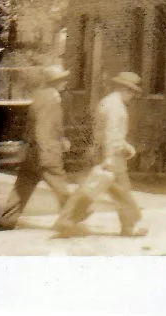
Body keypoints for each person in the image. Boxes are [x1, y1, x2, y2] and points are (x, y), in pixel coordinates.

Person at [53, 71, 148, 238]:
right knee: (119, 191)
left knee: (93, 188)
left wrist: (124, 145)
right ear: (125, 89)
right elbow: (111, 133)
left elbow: (103, 131)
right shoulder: (116, 107)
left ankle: (67, 220)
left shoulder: (106, 102)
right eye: (132, 92)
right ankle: (129, 226)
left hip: (102, 151)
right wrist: (110, 157)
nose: (132, 96)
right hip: (111, 155)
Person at [0, 64, 73, 230]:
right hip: (46, 152)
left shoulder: (41, 95)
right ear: (56, 81)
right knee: (61, 187)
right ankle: (72, 219)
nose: (66, 82)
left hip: (32, 151)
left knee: (22, 187)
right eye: (63, 79)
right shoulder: (50, 99)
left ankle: (7, 221)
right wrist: (46, 153)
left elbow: (44, 126)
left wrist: (61, 137)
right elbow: (43, 128)